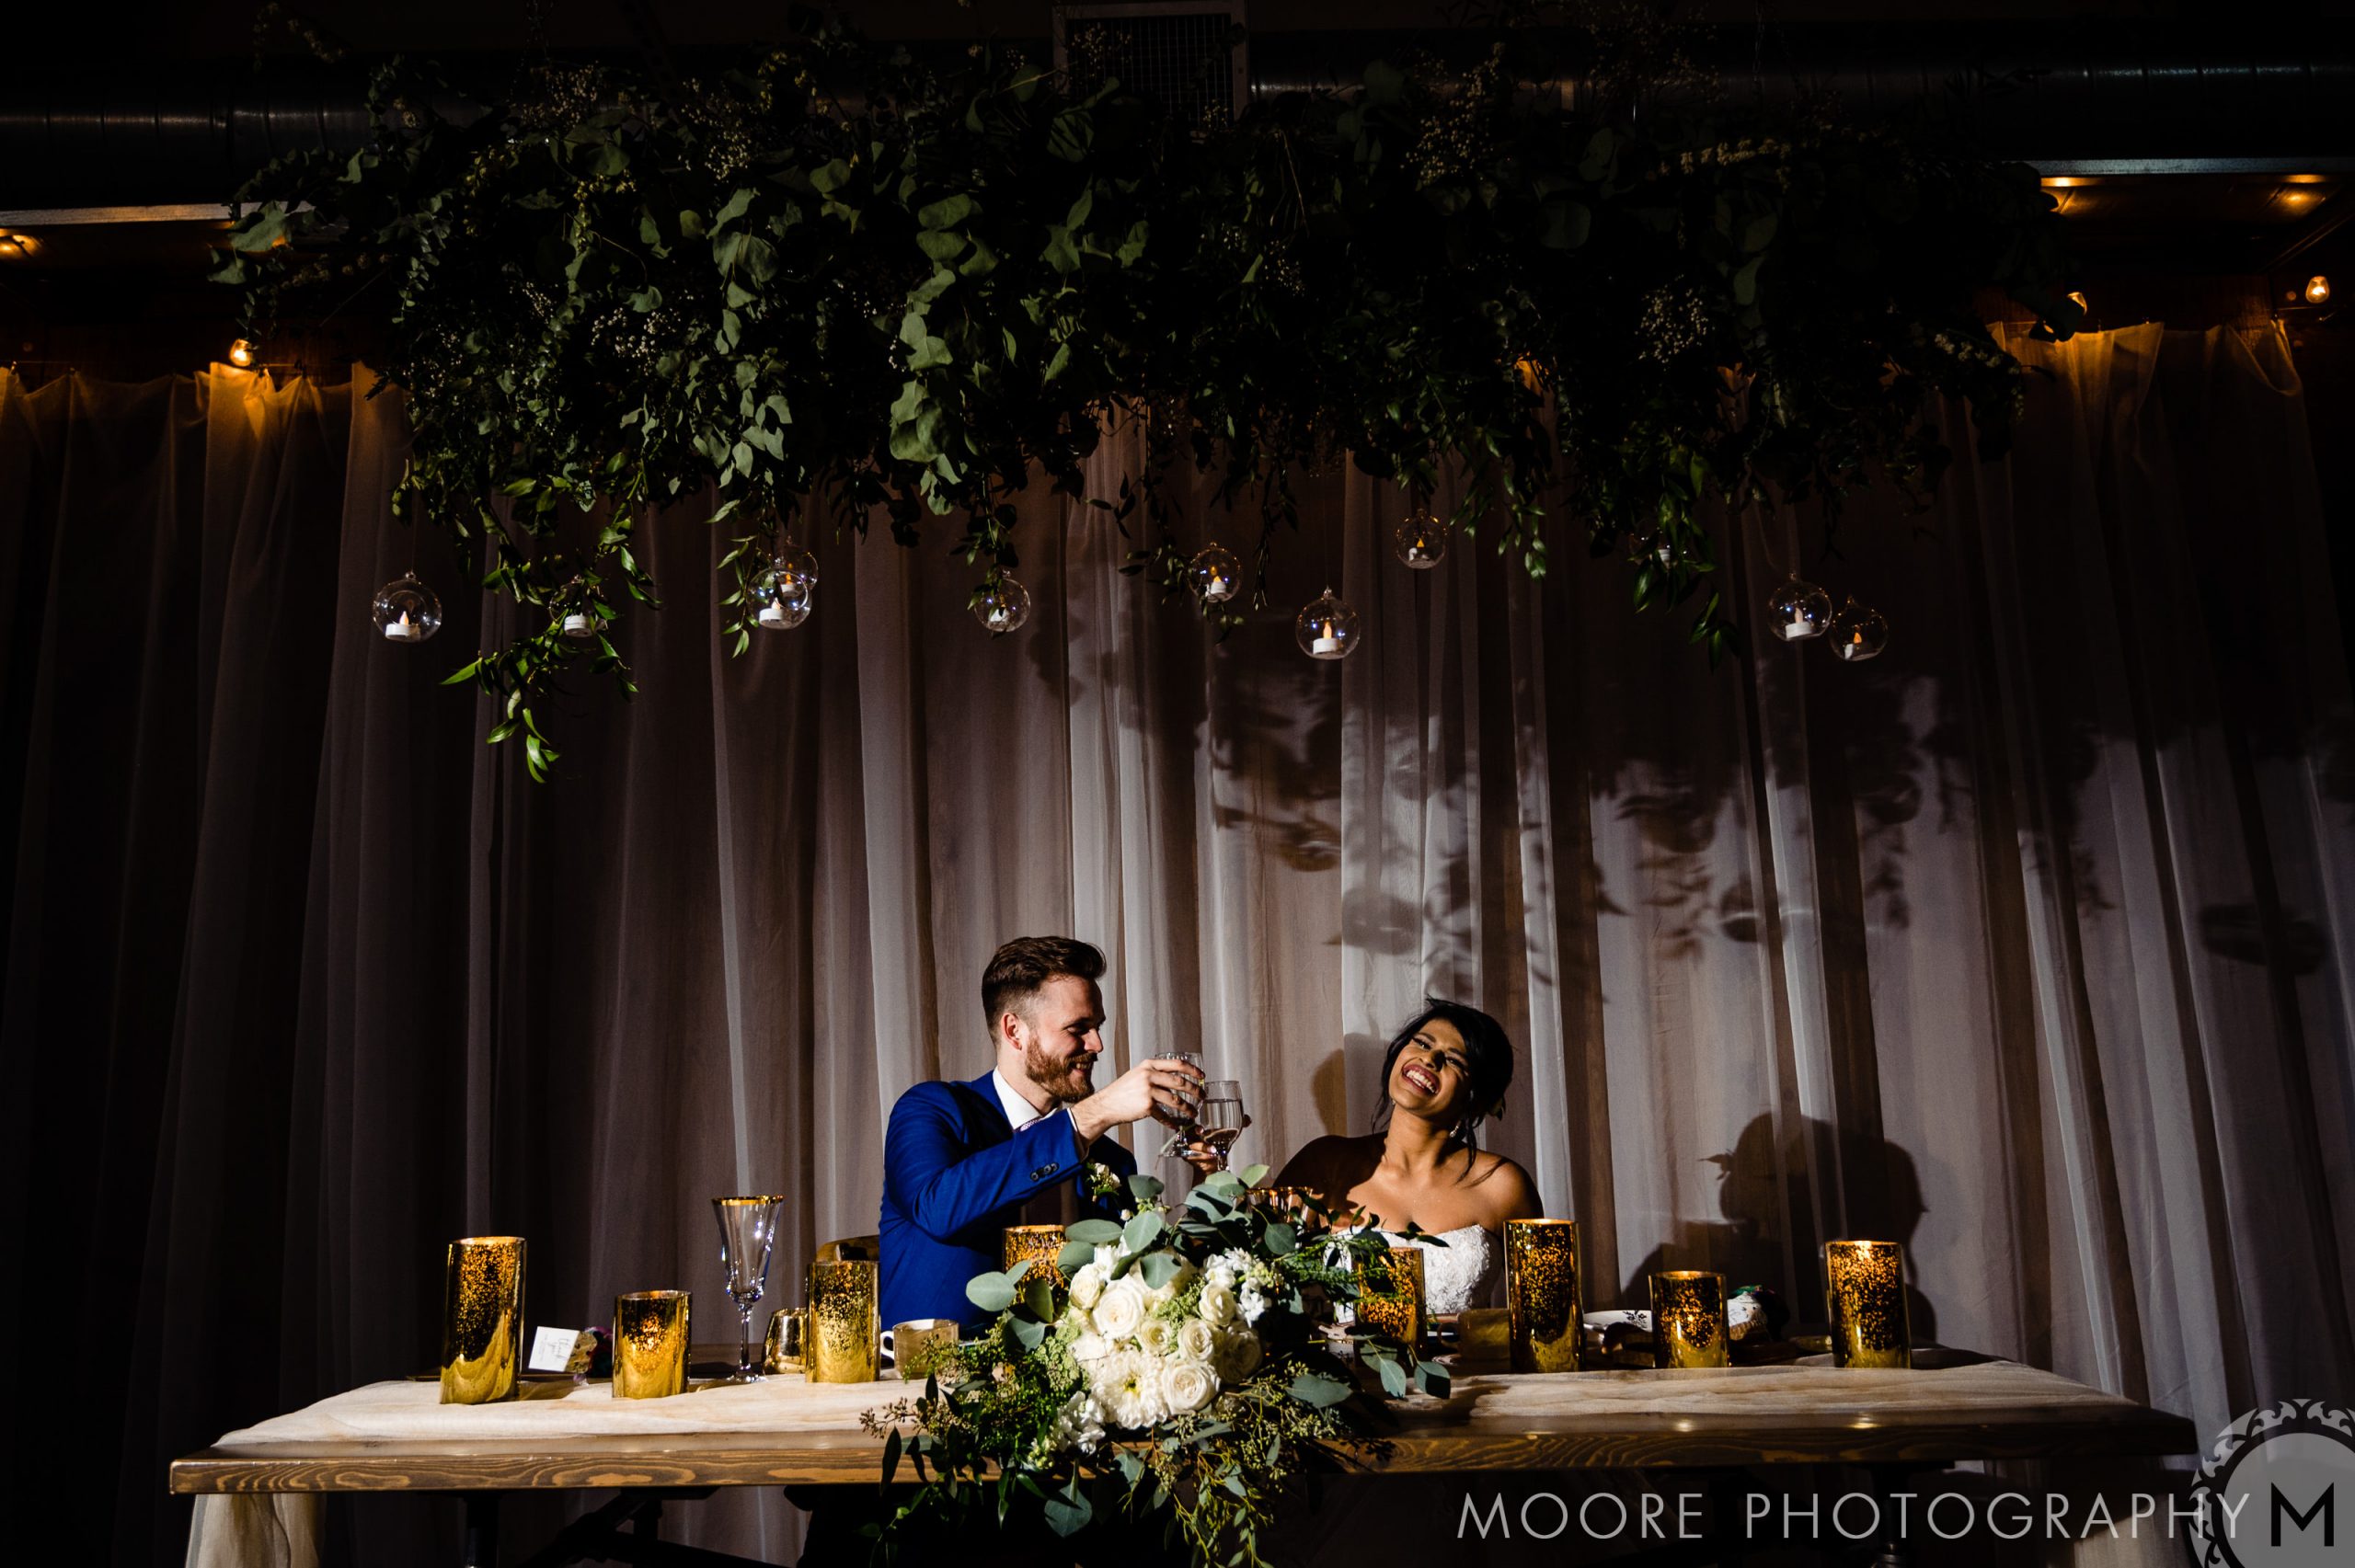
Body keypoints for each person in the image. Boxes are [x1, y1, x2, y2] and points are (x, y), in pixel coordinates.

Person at [879, 935, 1205, 1330]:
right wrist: (1091, 1115)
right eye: (1078, 1028)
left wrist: (1207, 1180)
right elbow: (939, 1209)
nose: (1097, 1044)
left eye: (1097, 1027)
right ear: (1015, 1031)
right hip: (932, 1382)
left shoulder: (1109, 1160)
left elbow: (1143, 1284)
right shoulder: (931, 1109)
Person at [1271, 999, 1542, 1313]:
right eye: (1423, 1043)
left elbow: (1546, 1313)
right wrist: (1208, 1172)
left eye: (1454, 1060)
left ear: (1476, 1099)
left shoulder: (1502, 1185)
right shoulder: (1324, 1163)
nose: (1430, 1058)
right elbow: (1244, 1276)